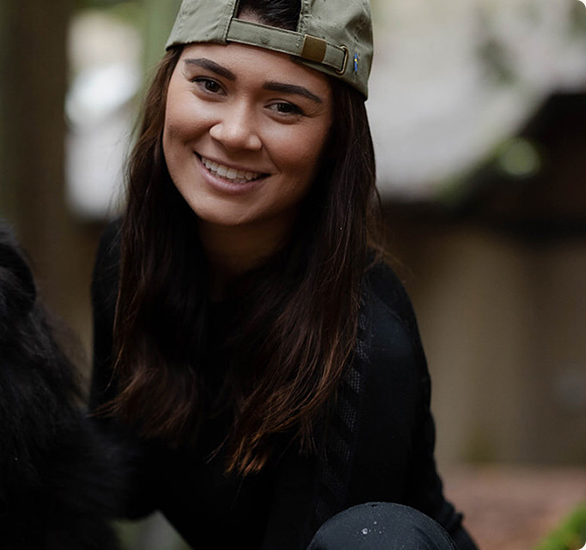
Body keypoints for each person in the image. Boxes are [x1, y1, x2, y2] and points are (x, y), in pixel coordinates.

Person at [88, 0, 479, 548]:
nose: (235, 132)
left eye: (285, 108)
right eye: (209, 85)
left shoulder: (362, 346)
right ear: (166, 87)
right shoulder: (131, 255)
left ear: (335, 142)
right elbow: (118, 478)